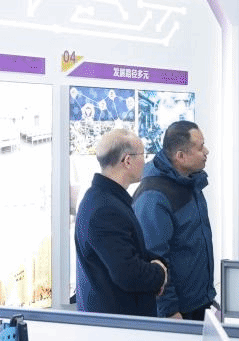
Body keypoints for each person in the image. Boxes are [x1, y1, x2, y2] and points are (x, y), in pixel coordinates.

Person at [74, 127, 168, 316]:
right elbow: (128, 274)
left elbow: (127, 251)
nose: (145, 161)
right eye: (142, 155)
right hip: (116, 326)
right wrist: (159, 273)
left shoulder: (103, 198)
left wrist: (159, 263)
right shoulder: (105, 210)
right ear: (127, 161)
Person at [133, 121, 215, 320]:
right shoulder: (154, 197)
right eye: (200, 147)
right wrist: (169, 310)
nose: (206, 152)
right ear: (180, 156)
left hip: (198, 302)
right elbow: (154, 257)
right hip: (178, 311)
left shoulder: (189, 181)